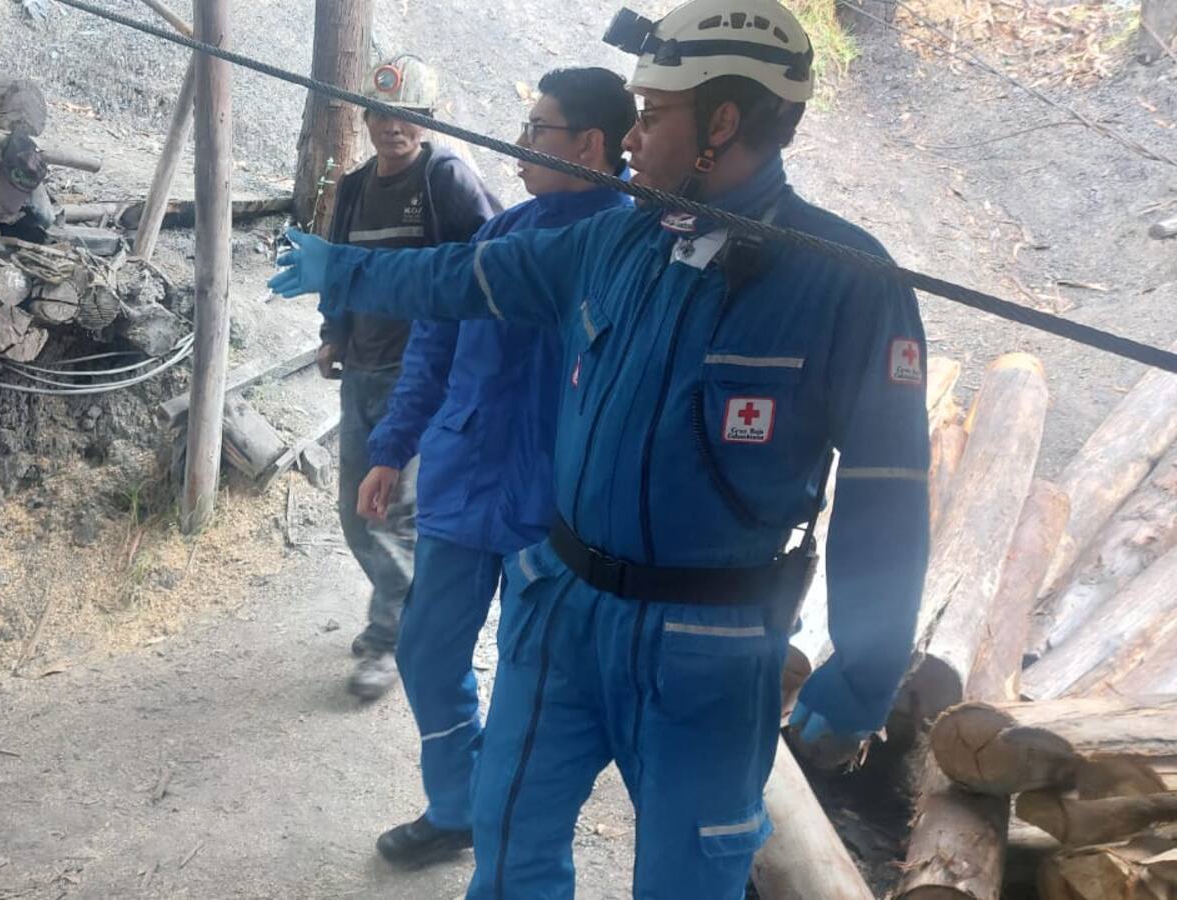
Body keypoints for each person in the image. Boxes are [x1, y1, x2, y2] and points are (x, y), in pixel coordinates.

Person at [271, 1, 930, 895]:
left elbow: (888, 498)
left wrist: (867, 667)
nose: (634, 141)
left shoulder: (849, 281)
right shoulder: (615, 239)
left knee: (687, 877)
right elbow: (459, 277)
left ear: (722, 124)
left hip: (713, 644)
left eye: (652, 117)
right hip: (561, 611)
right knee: (509, 843)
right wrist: (338, 266)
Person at [358, 67, 637, 869]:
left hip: (551, 510)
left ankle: (507, 824)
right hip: (459, 485)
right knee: (426, 650)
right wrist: (392, 449)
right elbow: (433, 346)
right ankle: (458, 806)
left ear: (588, 145)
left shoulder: (626, 250)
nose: (519, 146)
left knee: (528, 680)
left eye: (536, 130)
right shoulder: (501, 234)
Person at [319, 54, 499, 700]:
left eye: (408, 116)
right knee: (351, 511)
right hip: (362, 367)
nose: (393, 127)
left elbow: (495, 260)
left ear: (426, 122)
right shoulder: (356, 186)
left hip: (422, 376)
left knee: (391, 512)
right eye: (382, 113)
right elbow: (337, 266)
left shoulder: (445, 178)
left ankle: (391, 638)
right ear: (367, 116)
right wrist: (332, 332)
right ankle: (410, 609)